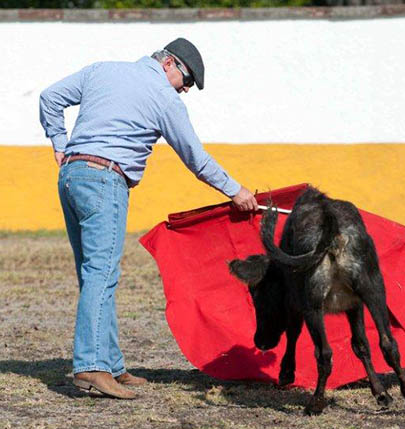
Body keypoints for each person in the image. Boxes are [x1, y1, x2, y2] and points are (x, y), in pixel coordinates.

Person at [39, 38, 258, 399]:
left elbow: (49, 97)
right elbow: (195, 158)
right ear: (169, 63)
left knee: (93, 273)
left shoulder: (102, 70)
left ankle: (110, 364)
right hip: (106, 179)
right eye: (187, 81)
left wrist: (60, 145)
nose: (185, 90)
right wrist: (235, 190)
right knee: (102, 274)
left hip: (71, 175)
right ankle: (92, 367)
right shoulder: (163, 97)